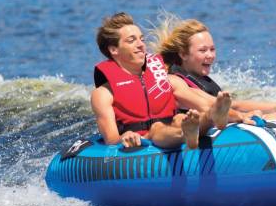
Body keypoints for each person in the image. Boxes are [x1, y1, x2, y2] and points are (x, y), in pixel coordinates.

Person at [91, 12, 232, 149]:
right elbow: (111, 139)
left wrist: (242, 115)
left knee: (180, 119)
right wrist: (125, 136)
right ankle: (186, 134)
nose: (141, 45)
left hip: (173, 128)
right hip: (144, 138)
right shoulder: (102, 94)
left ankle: (209, 118)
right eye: (131, 40)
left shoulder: (165, 80)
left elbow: (205, 102)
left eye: (142, 39)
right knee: (156, 128)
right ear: (114, 50)